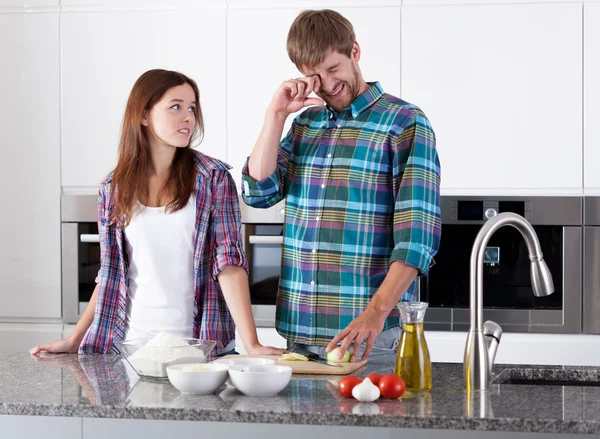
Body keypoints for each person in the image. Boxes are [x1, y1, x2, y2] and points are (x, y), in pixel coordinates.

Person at [31, 69, 284, 357]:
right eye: (175, 106)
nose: (188, 117)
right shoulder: (113, 188)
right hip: (128, 348)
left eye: (191, 107)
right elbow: (110, 273)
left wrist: (251, 344)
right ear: (143, 115)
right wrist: (75, 339)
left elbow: (229, 263)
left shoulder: (213, 178)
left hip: (200, 348)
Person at [241, 10, 441, 362]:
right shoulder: (305, 124)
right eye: (314, 76)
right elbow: (259, 192)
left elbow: (416, 240)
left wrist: (375, 314)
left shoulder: (405, 123)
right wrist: (275, 115)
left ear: (355, 52)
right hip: (298, 334)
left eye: (333, 69)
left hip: (368, 335)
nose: (327, 84)